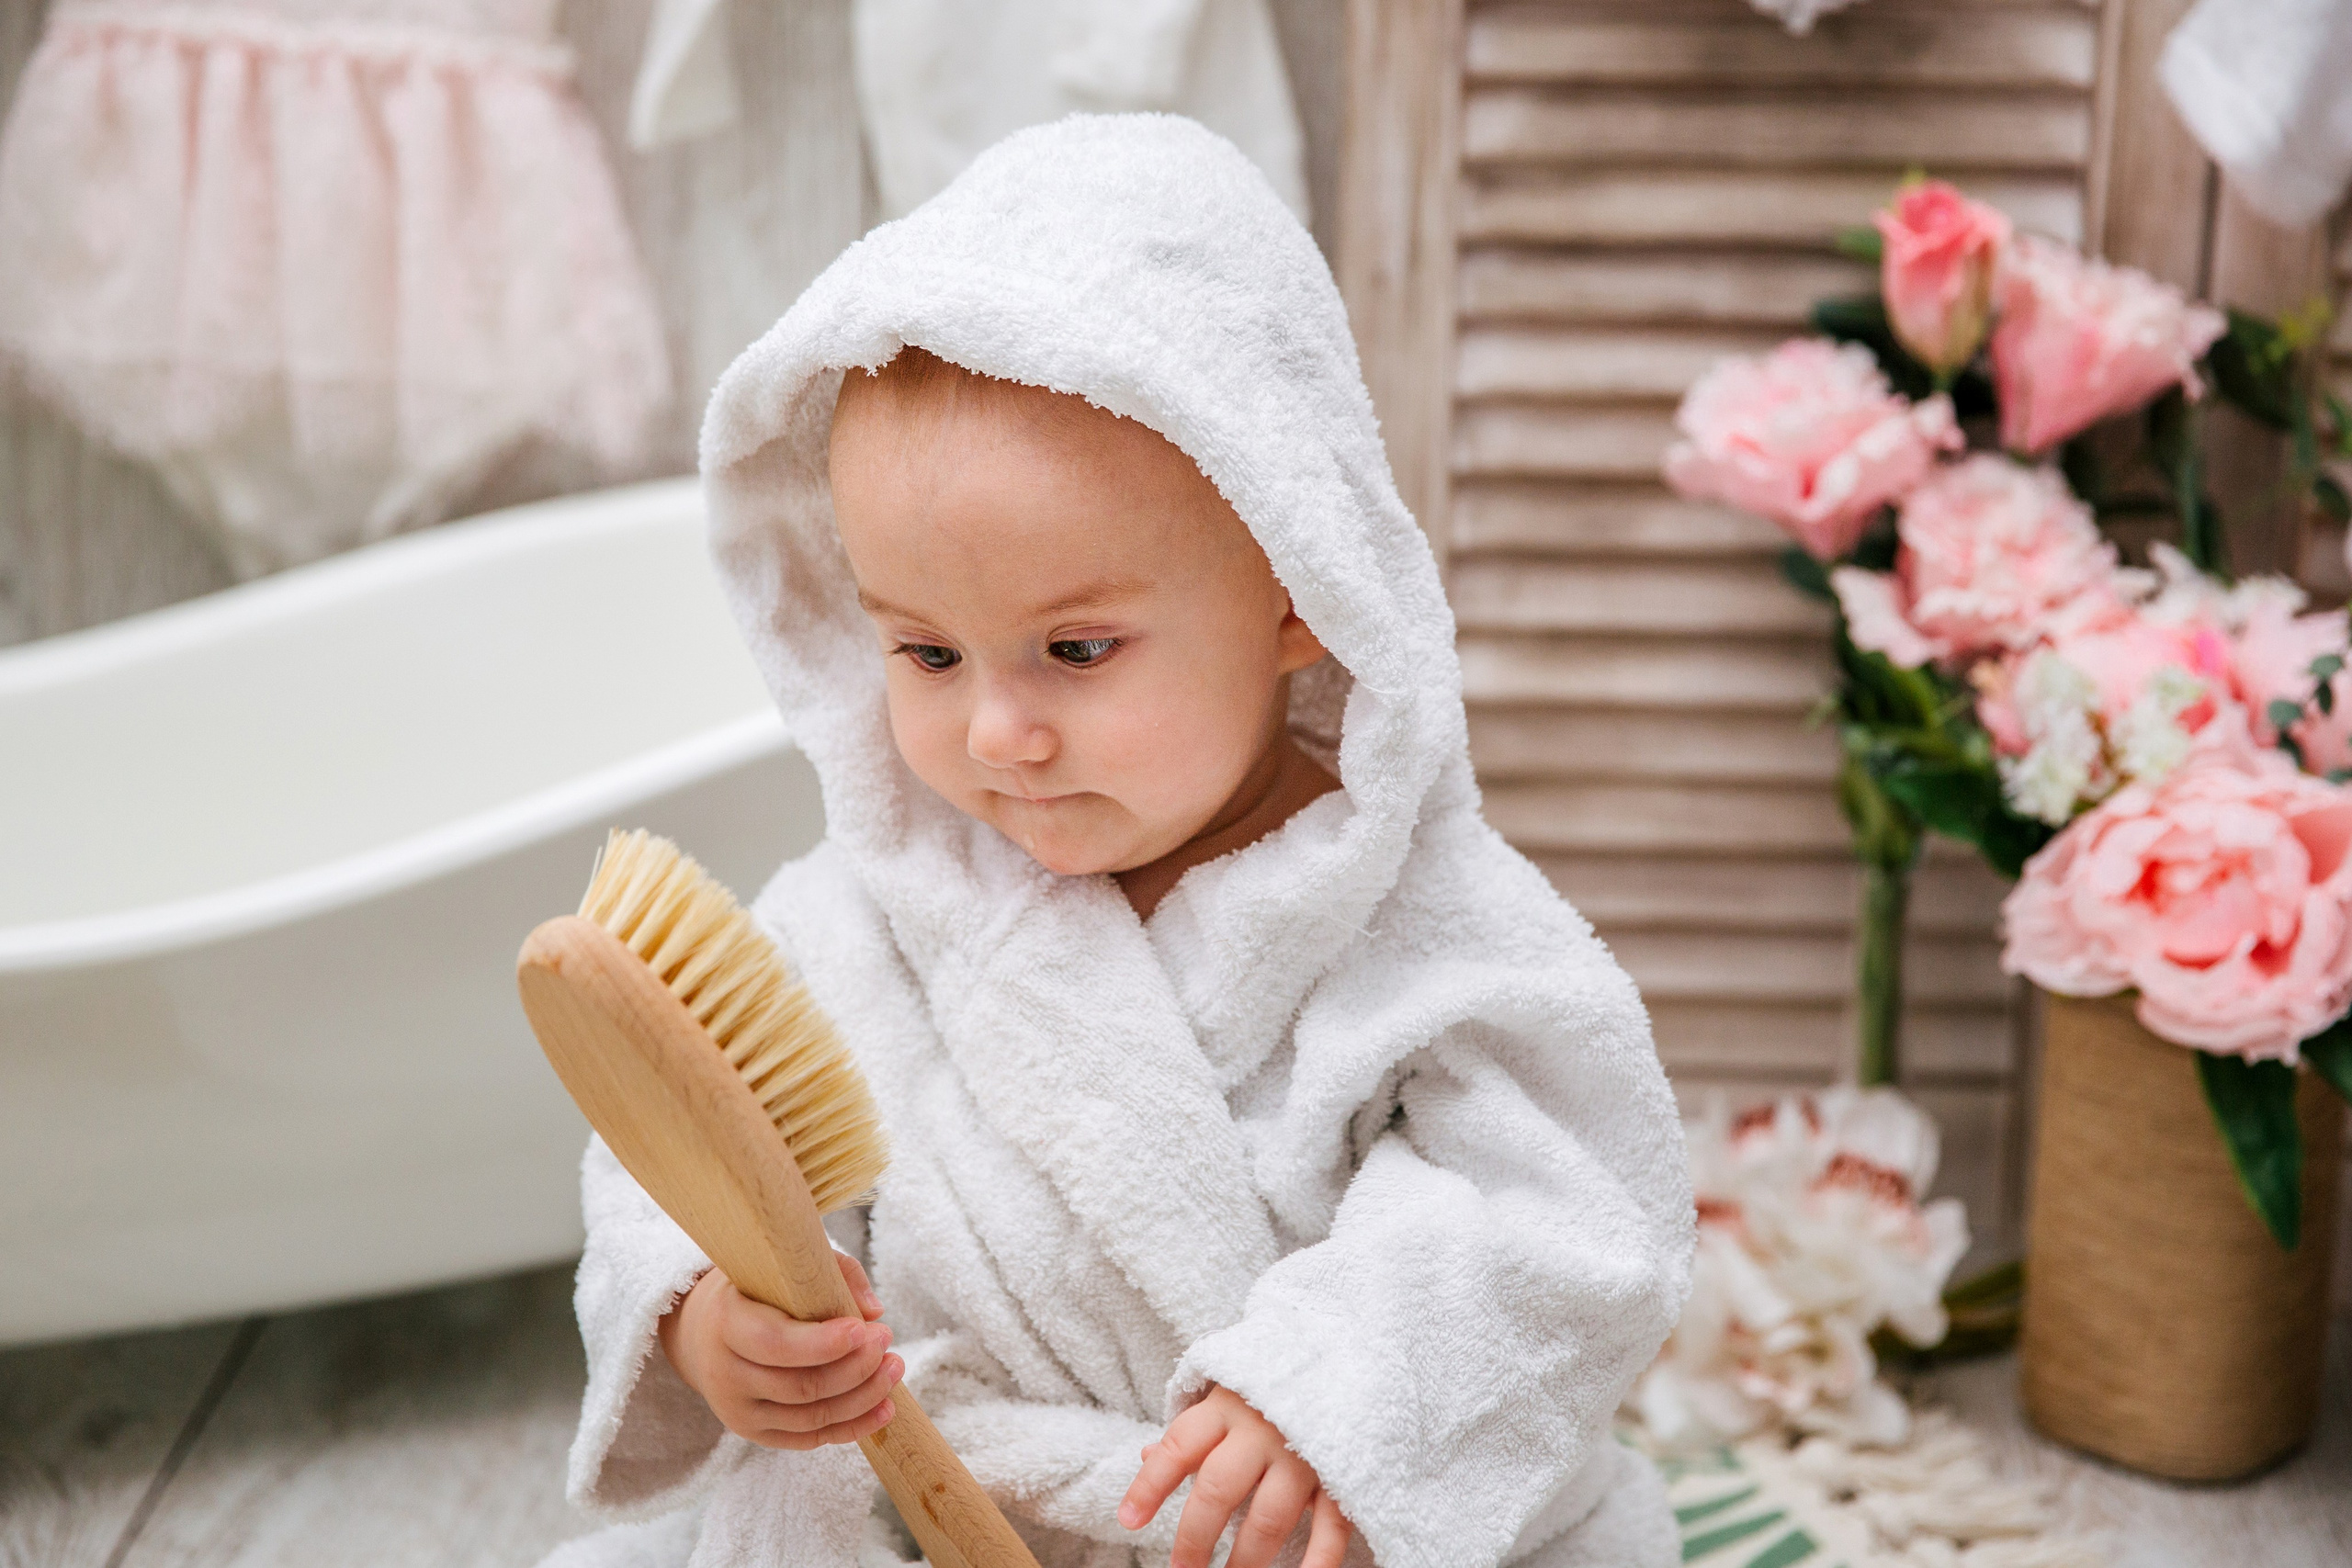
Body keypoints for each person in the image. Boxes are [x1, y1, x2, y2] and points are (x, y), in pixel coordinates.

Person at [543, 114, 1692, 1568]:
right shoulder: (877, 903)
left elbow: (1561, 1203)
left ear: (1298, 594)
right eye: (928, 655)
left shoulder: (1424, 921)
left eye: (1075, 649)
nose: (996, 735)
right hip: (959, 1500)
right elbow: (679, 1127)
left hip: (1318, 1526)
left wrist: (1333, 1401)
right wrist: (706, 1311)